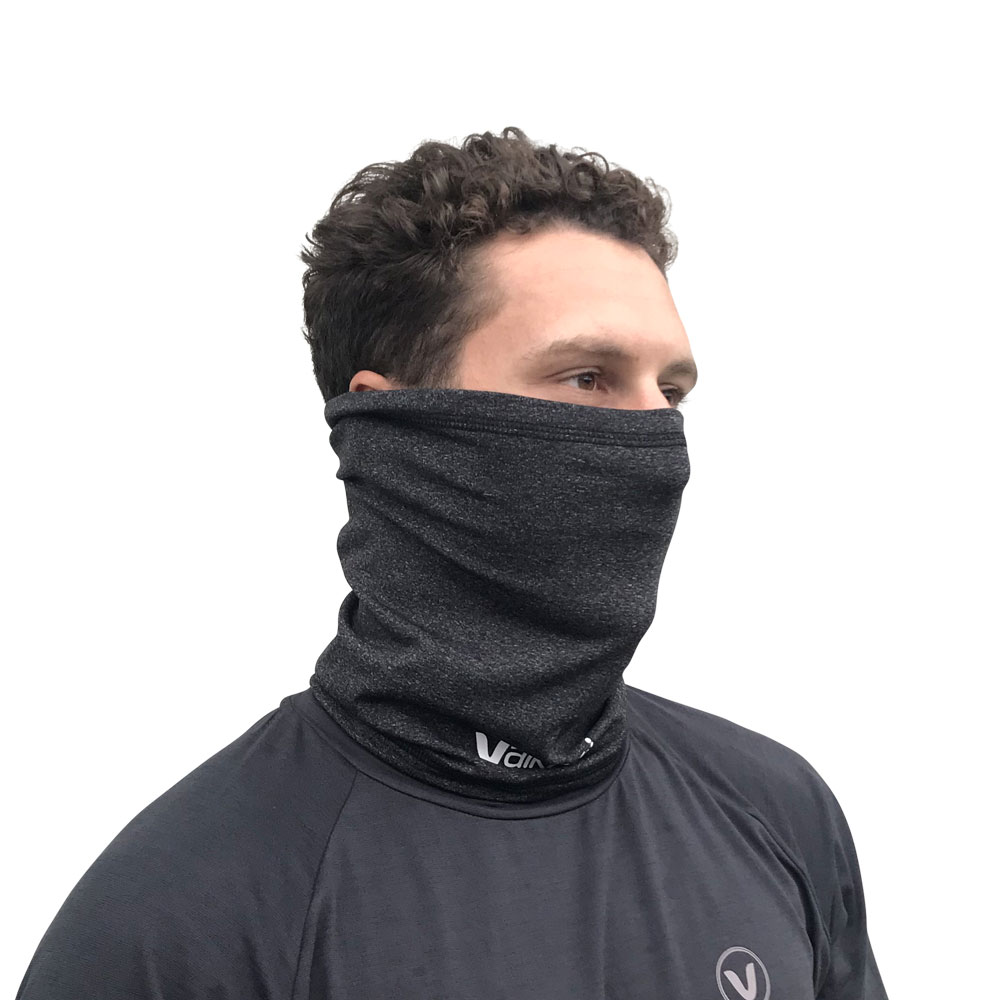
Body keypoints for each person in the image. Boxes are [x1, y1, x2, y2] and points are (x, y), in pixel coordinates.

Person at [16, 126, 888, 999]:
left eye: (671, 391)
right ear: (395, 426)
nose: (656, 436)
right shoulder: (177, 916)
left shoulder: (777, 813)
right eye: (587, 377)